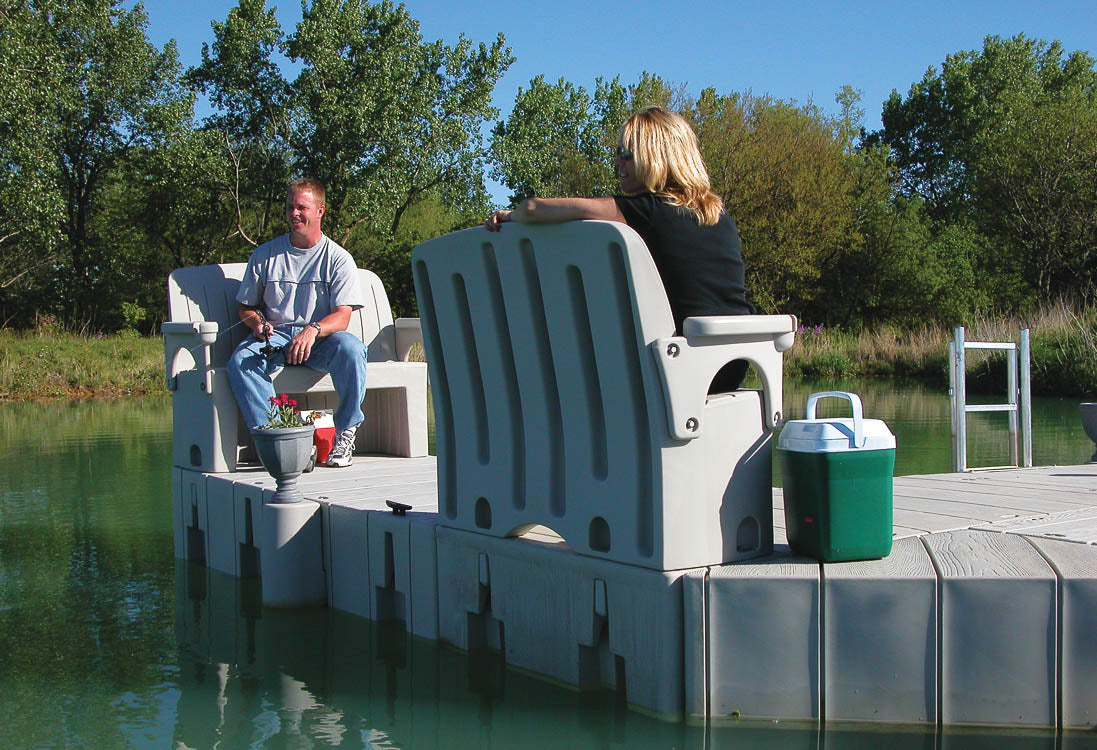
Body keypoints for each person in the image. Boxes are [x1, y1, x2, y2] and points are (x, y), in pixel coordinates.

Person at [485, 105, 753, 392]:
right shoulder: (719, 216)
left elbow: (534, 208)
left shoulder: (647, 211)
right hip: (731, 362)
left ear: (655, 158)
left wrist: (510, 217)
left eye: (626, 155)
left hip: (676, 366)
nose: (617, 162)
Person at [228, 178, 368, 467]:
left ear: (320, 211)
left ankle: (345, 433)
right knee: (241, 360)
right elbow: (246, 307)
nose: (294, 213)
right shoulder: (265, 255)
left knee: (352, 349)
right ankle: (282, 438)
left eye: (301, 207)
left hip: (321, 341)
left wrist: (313, 330)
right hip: (276, 339)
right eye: (290, 207)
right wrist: (257, 325)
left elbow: (342, 316)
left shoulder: (338, 259)